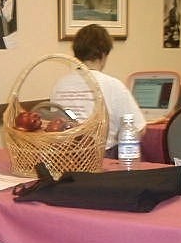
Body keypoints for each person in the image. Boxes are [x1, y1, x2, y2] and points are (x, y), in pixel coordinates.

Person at [50, 24, 146, 157]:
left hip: (64, 157)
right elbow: (138, 129)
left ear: (76, 54)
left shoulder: (60, 85)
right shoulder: (113, 85)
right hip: (101, 157)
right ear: (103, 54)